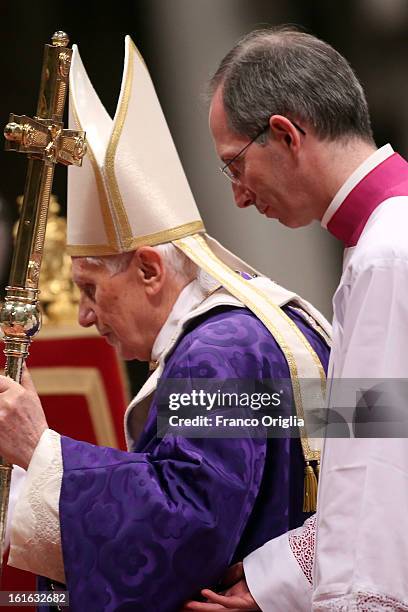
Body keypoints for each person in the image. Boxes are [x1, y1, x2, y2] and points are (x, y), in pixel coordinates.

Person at [0, 37, 330, 611]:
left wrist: (40, 450)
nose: (82, 316)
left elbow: (188, 528)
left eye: (91, 290)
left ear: (150, 270)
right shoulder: (269, 323)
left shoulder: (216, 356)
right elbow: (375, 446)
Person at [184, 25, 408, 611]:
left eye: (234, 165)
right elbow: (379, 416)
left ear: (284, 134)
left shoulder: (390, 253)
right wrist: (274, 577)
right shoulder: (382, 239)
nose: (237, 195)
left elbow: (378, 464)